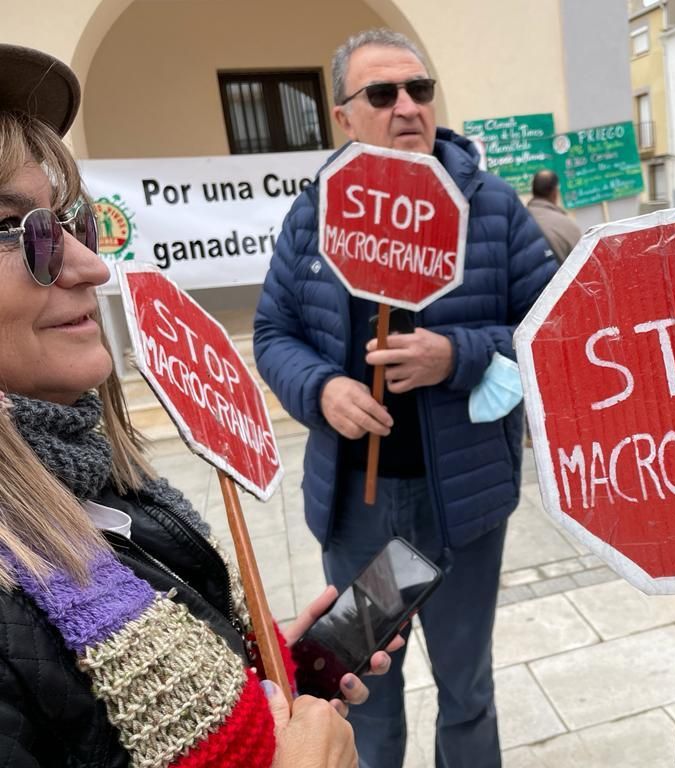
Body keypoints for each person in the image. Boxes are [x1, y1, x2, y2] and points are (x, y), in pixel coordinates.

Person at [0, 43, 396, 767]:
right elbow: (276, 333)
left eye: (73, 225)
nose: (94, 265)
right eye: (30, 236)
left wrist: (247, 661)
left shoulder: (99, 475)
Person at [253, 28, 556, 768]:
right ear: (344, 116)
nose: (407, 107)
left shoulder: (491, 207)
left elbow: (555, 328)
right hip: (363, 516)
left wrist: (458, 355)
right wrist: (321, 390)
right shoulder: (315, 211)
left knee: (467, 693)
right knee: (362, 698)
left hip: (463, 510)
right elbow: (273, 332)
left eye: (419, 90)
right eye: (382, 94)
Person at [527, 169, 582, 263]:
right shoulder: (566, 225)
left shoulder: (519, 219)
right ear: (555, 192)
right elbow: (581, 260)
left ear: (533, 191)